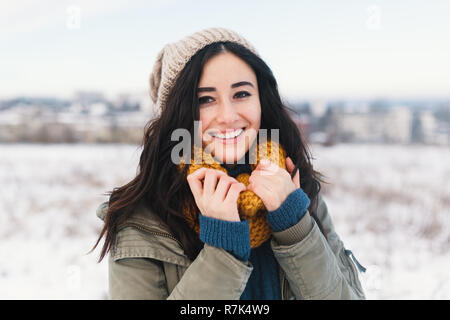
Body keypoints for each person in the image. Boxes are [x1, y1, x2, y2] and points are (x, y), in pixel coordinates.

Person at [93, 27, 366, 300]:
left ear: (262, 100)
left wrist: (295, 227)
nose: (227, 116)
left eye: (242, 94)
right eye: (205, 99)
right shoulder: (140, 221)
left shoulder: (298, 191)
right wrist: (223, 247)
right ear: (177, 114)